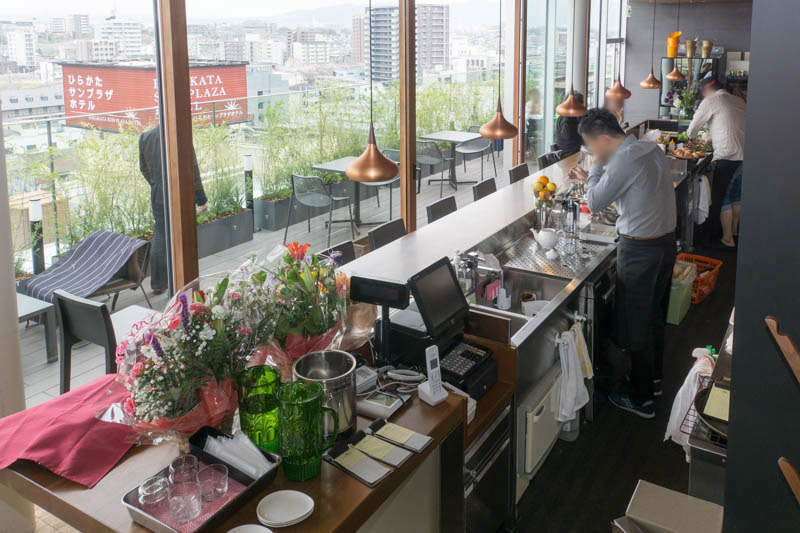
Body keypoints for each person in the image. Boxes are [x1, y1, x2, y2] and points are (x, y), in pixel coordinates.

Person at [568, 108, 677, 418]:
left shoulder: (624, 160)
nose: (592, 152)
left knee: (635, 324)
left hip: (640, 249)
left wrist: (594, 167)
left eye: (591, 145)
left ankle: (641, 399)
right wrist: (595, 174)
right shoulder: (648, 148)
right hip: (664, 245)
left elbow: (594, 202)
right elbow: (630, 190)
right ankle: (652, 381)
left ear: (604, 138)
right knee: (653, 317)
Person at [139, 126, 208, 295]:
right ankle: (184, 278)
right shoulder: (180, 133)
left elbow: (144, 168)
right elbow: (192, 168)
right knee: (184, 234)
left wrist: (156, 184)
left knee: (161, 234)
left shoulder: (146, 137)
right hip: (180, 194)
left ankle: (158, 283)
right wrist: (201, 198)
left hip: (158, 195)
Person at [686, 76, 746, 248]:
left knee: (722, 199)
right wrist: (711, 138)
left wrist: (691, 140)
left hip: (728, 156)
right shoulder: (736, 100)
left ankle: (725, 239)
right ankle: (734, 233)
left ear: (705, 90)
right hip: (745, 156)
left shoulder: (711, 100)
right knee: (735, 196)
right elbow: (730, 126)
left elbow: (692, 130)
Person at [554, 91, 585, 157]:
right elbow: (569, 140)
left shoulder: (563, 116)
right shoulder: (567, 119)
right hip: (569, 155)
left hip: (570, 153)